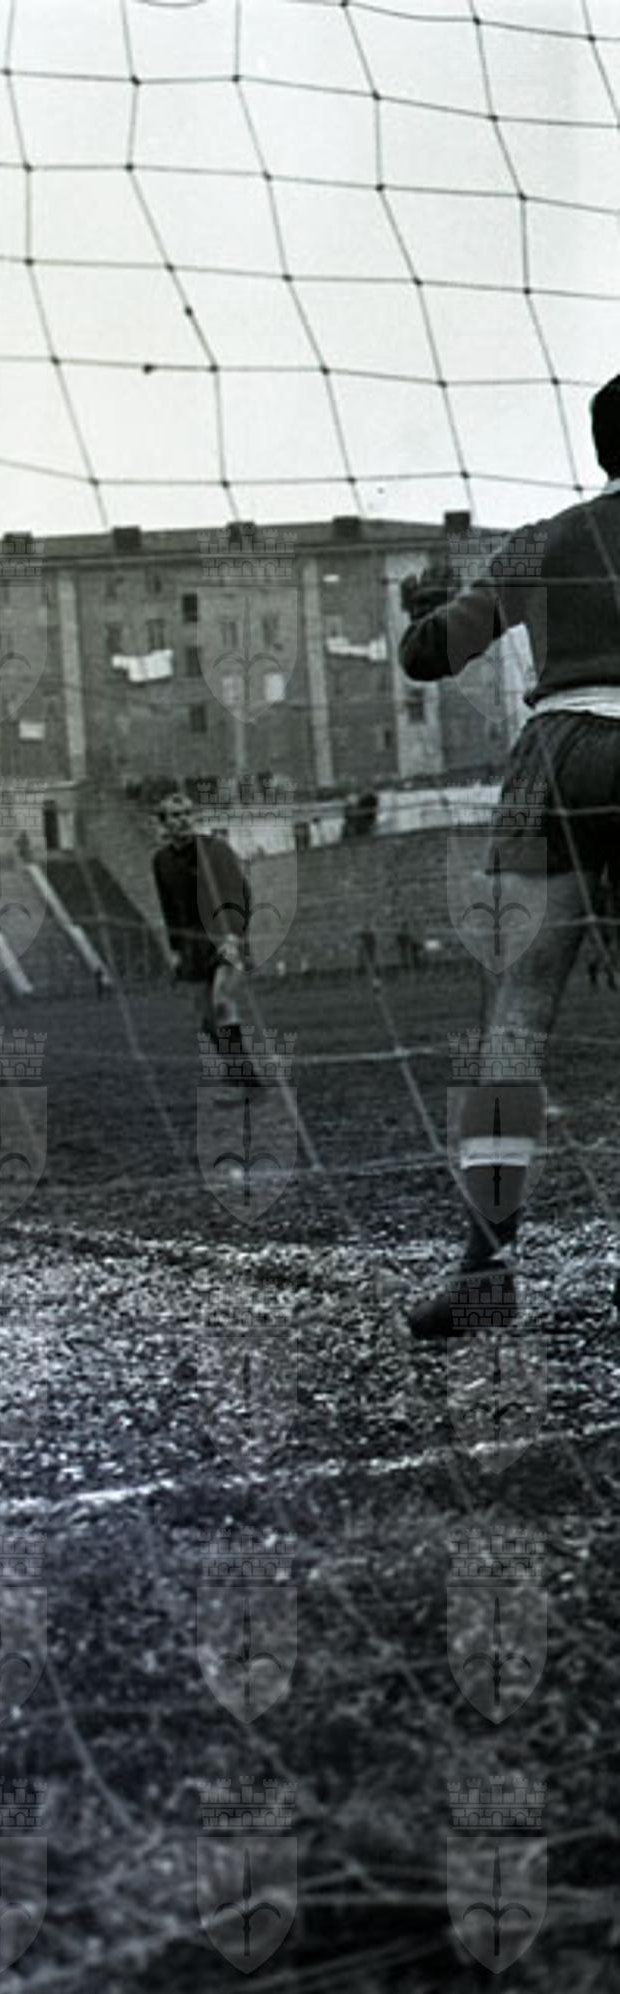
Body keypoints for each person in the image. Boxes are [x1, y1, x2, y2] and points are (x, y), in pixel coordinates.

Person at [397, 370, 620, 1336]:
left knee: (516, 1018)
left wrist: (423, 607)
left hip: (554, 755)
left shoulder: (541, 539)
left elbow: (429, 655)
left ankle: (483, 1273)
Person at [150, 791, 256, 1077]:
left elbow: (240, 893)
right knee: (207, 1019)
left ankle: (246, 1073)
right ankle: (235, 1069)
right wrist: (174, 949)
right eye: (176, 815)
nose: (184, 820)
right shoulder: (161, 861)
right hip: (191, 944)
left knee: (222, 1001)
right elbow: (168, 907)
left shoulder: (215, 850)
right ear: (164, 823)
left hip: (224, 936)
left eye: (188, 813)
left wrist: (234, 935)